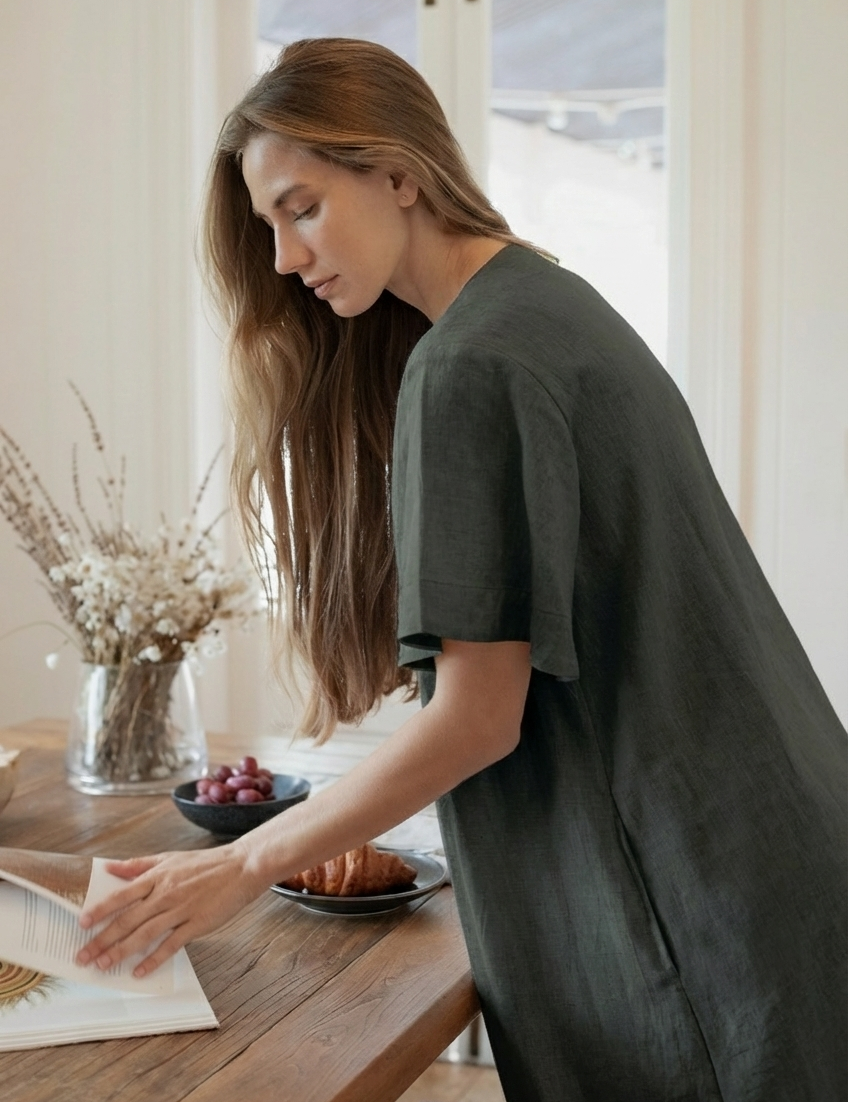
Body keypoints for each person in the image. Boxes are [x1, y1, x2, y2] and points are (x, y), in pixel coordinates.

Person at [75, 38, 846, 1101]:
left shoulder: (470, 364)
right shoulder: (547, 304)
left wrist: (239, 864)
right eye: (267, 228)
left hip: (691, 907)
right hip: (774, 850)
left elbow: (478, 717)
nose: (286, 258)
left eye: (300, 206)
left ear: (398, 172)